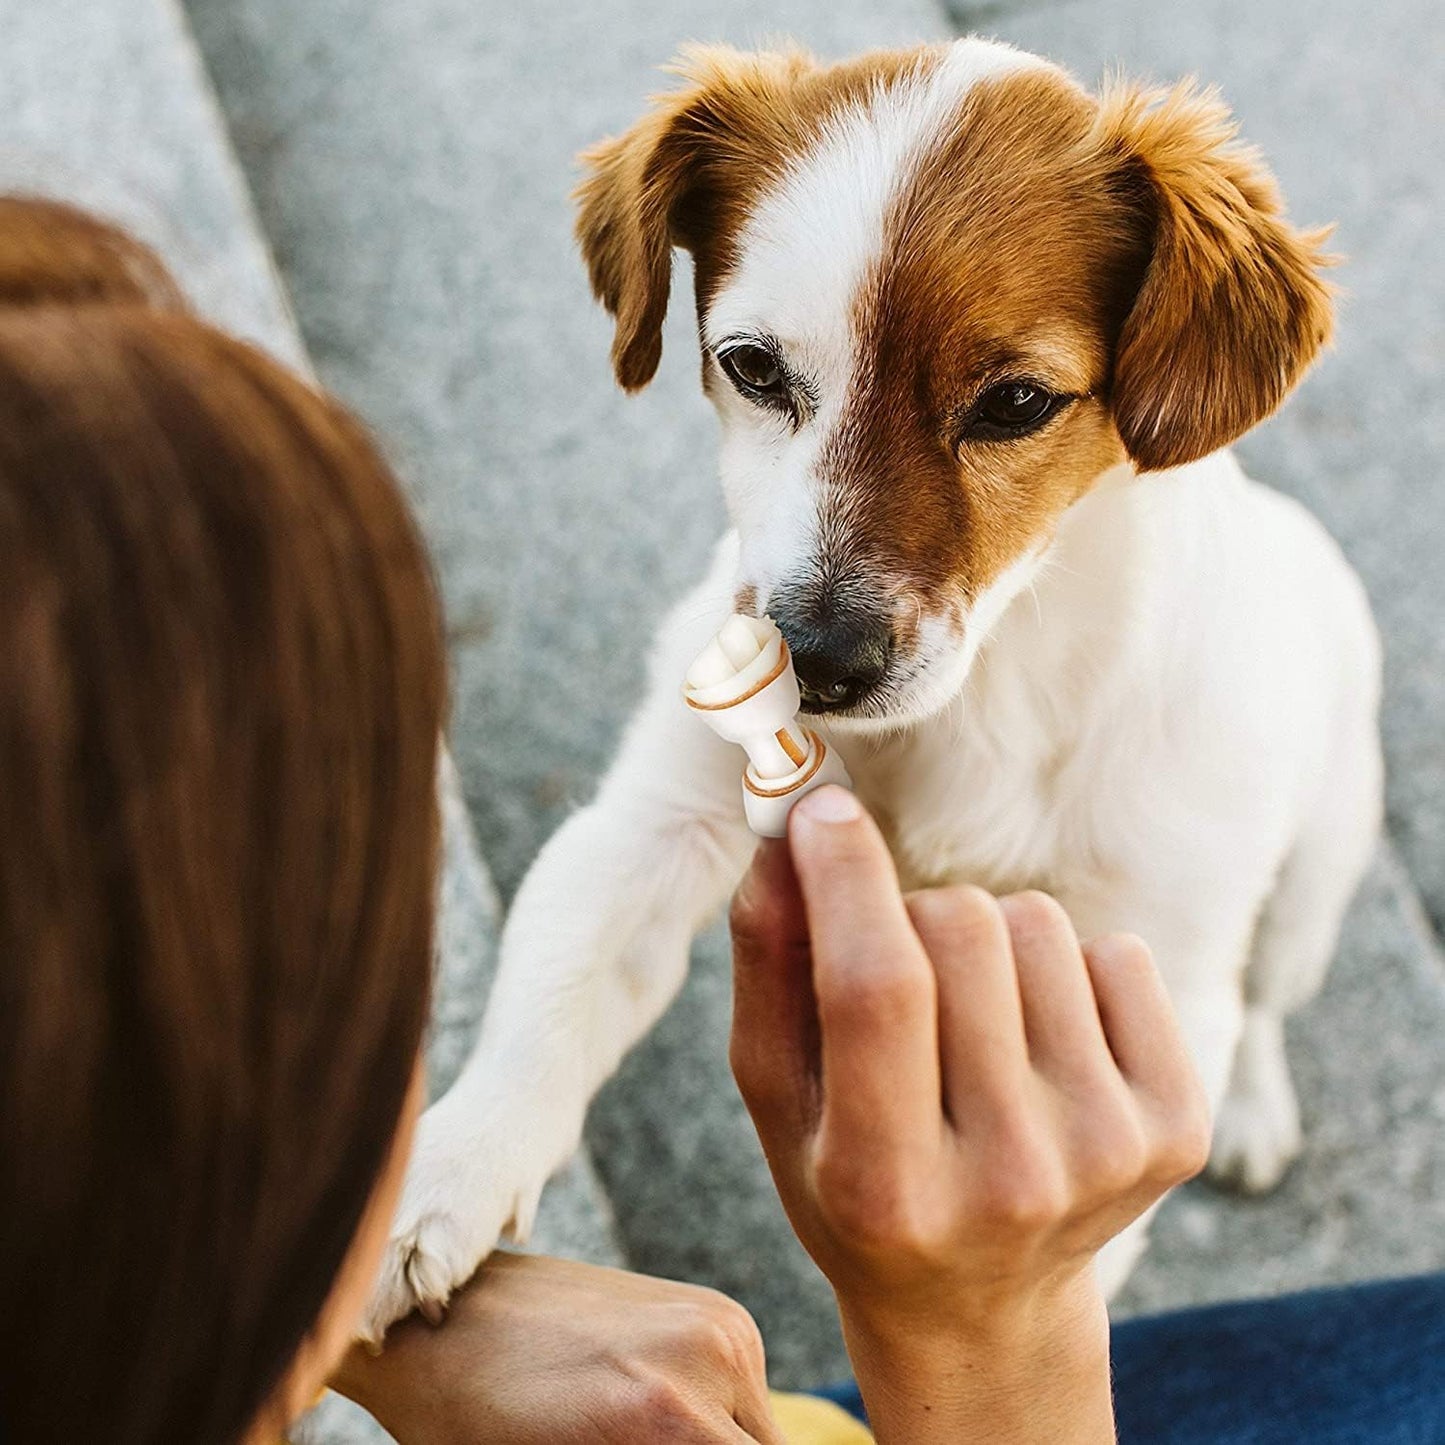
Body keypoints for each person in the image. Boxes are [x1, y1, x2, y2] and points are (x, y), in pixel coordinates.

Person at [1, 195, 1441, 1445]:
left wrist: (347, 1320)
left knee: (1271, 964)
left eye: (1006, 402)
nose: (812, 590)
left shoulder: (1245, 664)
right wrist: (995, 1353)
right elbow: (642, 839)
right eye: (761, 373)